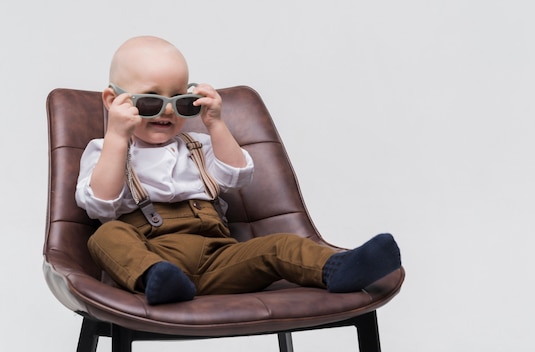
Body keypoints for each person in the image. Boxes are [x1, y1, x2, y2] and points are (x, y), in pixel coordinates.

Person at [75, 35, 401, 305]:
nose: (168, 111)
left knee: (279, 245)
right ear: (112, 100)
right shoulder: (107, 151)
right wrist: (117, 136)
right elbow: (100, 204)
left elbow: (238, 175)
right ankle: (156, 279)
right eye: (150, 102)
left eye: (181, 101)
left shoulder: (197, 145)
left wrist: (215, 124)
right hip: (151, 252)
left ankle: (336, 268)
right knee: (106, 235)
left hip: (218, 257)